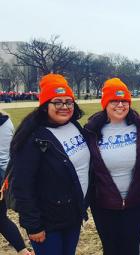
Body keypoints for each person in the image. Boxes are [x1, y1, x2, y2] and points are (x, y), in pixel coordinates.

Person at [10, 74, 92, 255]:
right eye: (57, 102)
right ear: (45, 105)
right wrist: (33, 225)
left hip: (73, 215)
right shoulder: (33, 137)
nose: (64, 107)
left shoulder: (74, 126)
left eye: (69, 102)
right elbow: (22, 185)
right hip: (48, 223)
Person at [85, 78, 140, 255]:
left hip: (134, 203)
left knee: (131, 249)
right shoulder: (91, 130)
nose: (120, 105)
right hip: (103, 204)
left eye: (124, 101)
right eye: (114, 100)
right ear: (105, 103)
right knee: (111, 249)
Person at [0, 113, 32, 255]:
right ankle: (23, 250)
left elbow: (5, 156)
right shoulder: (5, 121)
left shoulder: (4, 122)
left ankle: (23, 250)